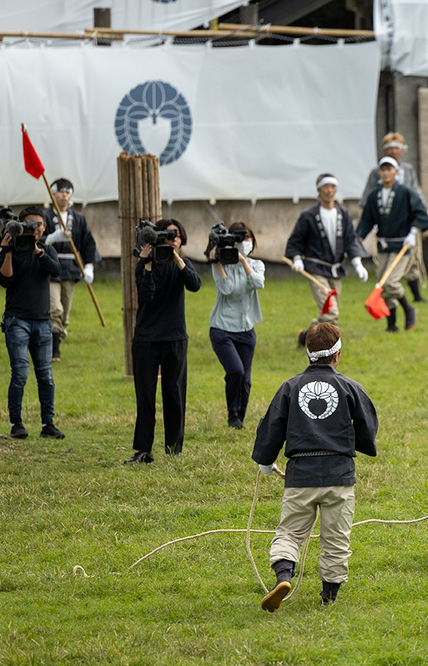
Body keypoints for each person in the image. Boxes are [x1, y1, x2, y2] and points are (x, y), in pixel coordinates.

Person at [252, 322, 378, 611]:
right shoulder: (349, 387)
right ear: (337, 355)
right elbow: (367, 426)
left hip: (300, 476)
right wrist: (359, 443)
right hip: (339, 476)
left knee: (290, 534)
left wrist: (266, 460)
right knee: (335, 540)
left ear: (307, 352)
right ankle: (327, 599)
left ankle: (283, 577)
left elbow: (273, 425)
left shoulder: (290, 387)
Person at [126, 218, 201, 464]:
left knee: (175, 393)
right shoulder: (145, 264)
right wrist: (147, 264)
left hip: (175, 338)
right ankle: (143, 450)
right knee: (145, 395)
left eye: (176, 235)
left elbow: (195, 285)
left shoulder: (183, 265)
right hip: (147, 339)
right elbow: (146, 295)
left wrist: (177, 259)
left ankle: (174, 449)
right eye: (168, 235)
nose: (173, 239)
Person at [0, 206, 64, 439]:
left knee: (45, 375)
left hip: (43, 322)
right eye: (28, 224)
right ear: (19, 225)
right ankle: (16, 423)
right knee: (20, 374)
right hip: (17, 321)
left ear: (44, 227)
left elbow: (55, 270)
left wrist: (37, 251)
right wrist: (7, 251)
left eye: (37, 225)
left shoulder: (47, 250)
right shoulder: (11, 250)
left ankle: (48, 424)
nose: (33, 229)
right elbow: (5, 281)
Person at [286, 173, 367, 347]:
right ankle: (328, 349)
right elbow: (297, 239)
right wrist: (297, 258)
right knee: (331, 312)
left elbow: (351, 239)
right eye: (326, 187)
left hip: (335, 270)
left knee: (328, 312)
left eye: (332, 187)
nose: (329, 191)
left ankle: (305, 336)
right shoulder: (309, 215)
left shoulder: (342, 214)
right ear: (319, 190)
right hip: (316, 268)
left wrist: (357, 263)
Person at [356, 157, 428, 333]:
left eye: (389, 169)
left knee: (390, 282)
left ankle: (409, 309)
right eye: (383, 169)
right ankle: (391, 324)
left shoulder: (406, 192)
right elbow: (367, 220)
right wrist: (358, 238)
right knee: (382, 284)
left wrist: (413, 232)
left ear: (397, 172)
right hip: (383, 245)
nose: (385, 172)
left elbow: (421, 214)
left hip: (402, 246)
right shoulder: (374, 195)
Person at [207, 221, 264, 429]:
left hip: (246, 329)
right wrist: (219, 262)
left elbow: (257, 283)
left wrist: (243, 261)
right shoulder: (221, 264)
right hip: (222, 328)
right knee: (236, 371)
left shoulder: (257, 264)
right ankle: (232, 414)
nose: (244, 243)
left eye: (247, 238)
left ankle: (240, 417)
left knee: (246, 380)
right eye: (240, 239)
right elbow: (227, 289)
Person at [359, 132, 428, 303]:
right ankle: (395, 314)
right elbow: (368, 200)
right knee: (384, 273)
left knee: (410, 262)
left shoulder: (408, 171)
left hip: (407, 225)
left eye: (398, 148)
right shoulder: (377, 173)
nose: (394, 151)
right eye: (391, 148)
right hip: (386, 226)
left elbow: (416, 193)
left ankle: (416, 297)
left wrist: (419, 217)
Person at [42, 178, 100, 363]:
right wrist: (51, 238)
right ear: (53, 194)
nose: (64, 196)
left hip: (71, 268)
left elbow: (88, 243)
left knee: (65, 311)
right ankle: (54, 351)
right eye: (60, 192)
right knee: (55, 308)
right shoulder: (44, 216)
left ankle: (57, 333)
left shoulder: (79, 218)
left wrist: (88, 266)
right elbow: (35, 239)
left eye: (67, 192)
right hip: (50, 266)